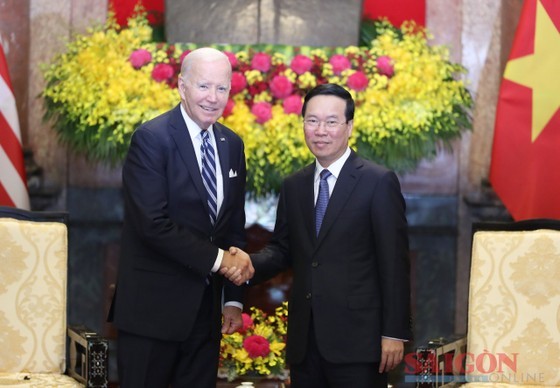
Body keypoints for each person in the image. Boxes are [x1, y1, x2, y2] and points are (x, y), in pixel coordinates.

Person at [225, 83, 412, 388]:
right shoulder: (294, 185)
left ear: (349, 126)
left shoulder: (377, 182)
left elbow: (394, 263)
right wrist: (245, 266)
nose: (320, 130)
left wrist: (393, 332)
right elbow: (282, 250)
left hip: (359, 343)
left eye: (331, 122)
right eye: (312, 121)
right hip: (305, 343)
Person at [108, 47, 254, 388]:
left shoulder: (232, 144)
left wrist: (232, 299)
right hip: (151, 315)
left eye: (222, 88)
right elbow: (152, 224)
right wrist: (221, 261)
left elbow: (233, 223)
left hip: (204, 319)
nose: (212, 97)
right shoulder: (151, 139)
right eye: (204, 86)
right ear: (181, 86)